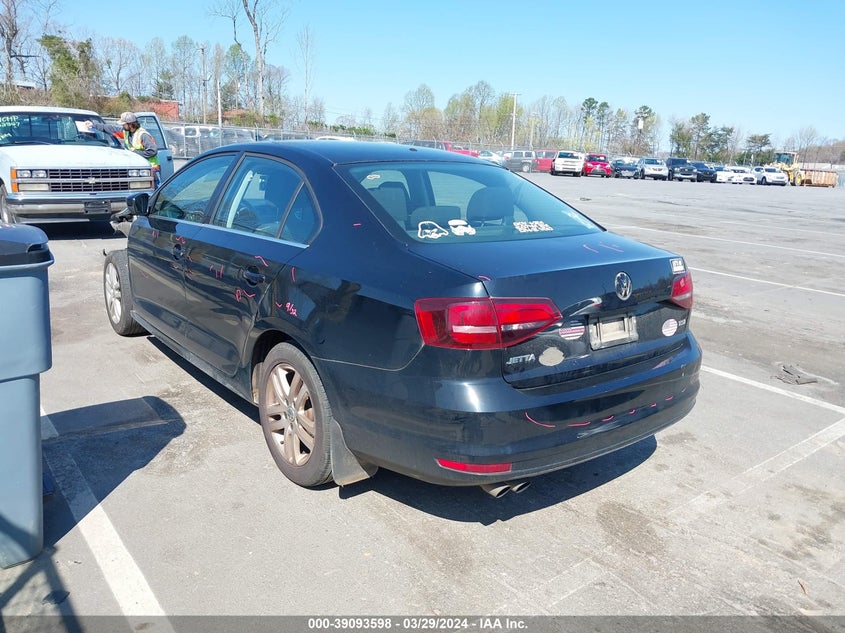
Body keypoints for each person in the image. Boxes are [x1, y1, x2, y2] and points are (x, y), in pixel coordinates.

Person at [87, 112, 161, 185]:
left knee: (155, 190)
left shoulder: (143, 135)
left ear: (130, 124)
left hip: (152, 169)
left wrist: (135, 153)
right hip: (139, 170)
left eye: (124, 124)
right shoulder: (126, 132)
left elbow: (153, 151)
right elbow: (111, 129)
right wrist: (94, 125)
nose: (122, 126)